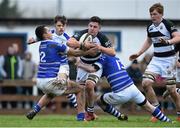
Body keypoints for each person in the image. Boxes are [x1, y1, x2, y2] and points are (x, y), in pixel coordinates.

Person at [26, 25, 97, 120]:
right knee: (80, 89)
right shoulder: (55, 44)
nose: (51, 32)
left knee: (51, 93)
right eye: (48, 31)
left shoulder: (41, 45)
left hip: (40, 82)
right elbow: (75, 53)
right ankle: (81, 118)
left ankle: (35, 109)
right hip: (50, 81)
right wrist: (89, 51)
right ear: (45, 35)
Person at [77, 53, 171, 122]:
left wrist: (79, 64)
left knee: (99, 101)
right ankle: (168, 121)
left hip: (121, 93)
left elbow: (92, 69)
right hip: (133, 88)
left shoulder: (103, 58)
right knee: (149, 107)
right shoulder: (115, 57)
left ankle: (119, 116)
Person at [129, 3, 180, 122]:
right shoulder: (150, 27)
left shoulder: (168, 24)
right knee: (146, 83)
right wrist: (139, 53)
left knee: (171, 90)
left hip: (169, 60)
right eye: (151, 14)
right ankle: (157, 111)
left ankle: (179, 113)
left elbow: (178, 37)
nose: (152, 16)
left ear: (161, 14)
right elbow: (148, 41)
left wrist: (168, 42)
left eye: (155, 14)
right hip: (156, 60)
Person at [68, 16, 116, 121]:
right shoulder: (82, 34)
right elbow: (70, 42)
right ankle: (81, 115)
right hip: (82, 64)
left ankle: (90, 112)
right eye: (90, 26)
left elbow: (113, 52)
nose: (92, 28)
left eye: (95, 27)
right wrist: (81, 44)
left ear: (99, 28)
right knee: (79, 89)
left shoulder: (102, 37)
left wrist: (100, 48)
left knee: (89, 85)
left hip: (96, 65)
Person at [28, 15, 78, 109]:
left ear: (65, 26)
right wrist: (33, 40)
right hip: (51, 65)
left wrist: (76, 58)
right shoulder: (49, 34)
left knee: (64, 86)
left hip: (62, 65)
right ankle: (78, 108)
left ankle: (77, 107)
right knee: (62, 88)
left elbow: (73, 51)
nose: (61, 28)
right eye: (59, 25)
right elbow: (39, 37)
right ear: (55, 25)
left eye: (63, 26)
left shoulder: (68, 38)